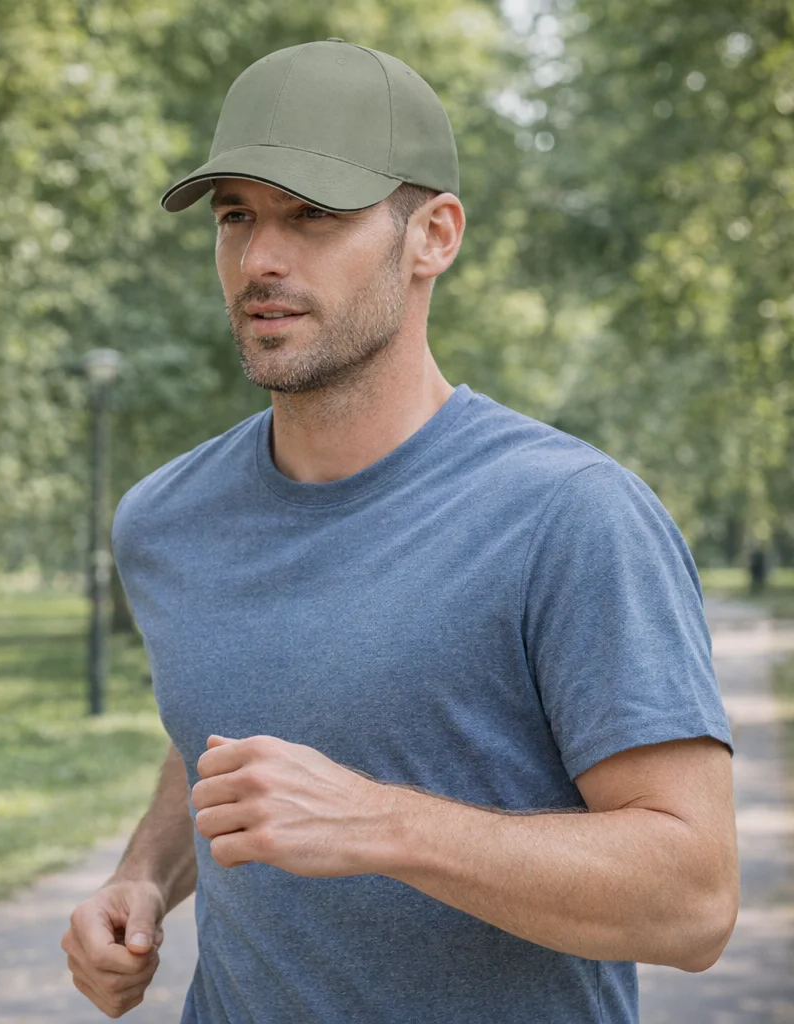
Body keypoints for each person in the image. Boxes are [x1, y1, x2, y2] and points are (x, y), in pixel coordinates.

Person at [61, 38, 738, 1023]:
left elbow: (694, 900)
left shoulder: (571, 515)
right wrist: (143, 878)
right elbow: (216, 728)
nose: (260, 259)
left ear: (434, 235)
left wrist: (383, 824)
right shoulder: (166, 520)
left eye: (313, 215)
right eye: (236, 216)